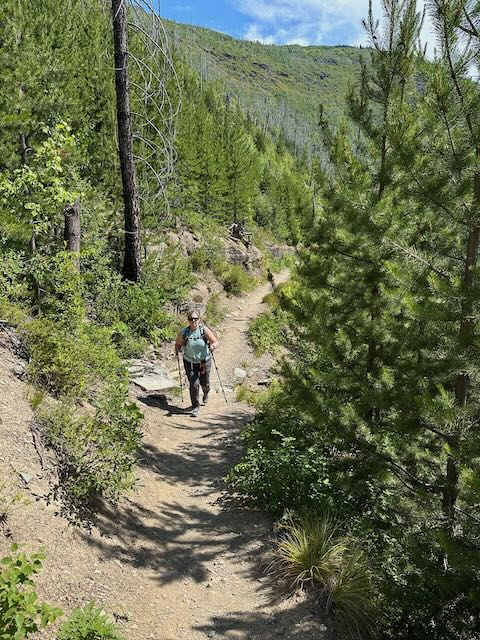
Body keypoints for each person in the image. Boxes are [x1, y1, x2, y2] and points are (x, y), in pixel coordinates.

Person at [175, 311, 219, 417]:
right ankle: (195, 407)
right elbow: (178, 344)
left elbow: (215, 341)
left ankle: (206, 392)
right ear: (188, 320)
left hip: (204, 361)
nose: (193, 321)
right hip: (189, 362)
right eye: (191, 319)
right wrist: (177, 351)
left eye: (196, 319)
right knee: (194, 384)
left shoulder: (204, 330)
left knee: (205, 383)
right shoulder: (184, 332)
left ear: (199, 320)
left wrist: (212, 346)